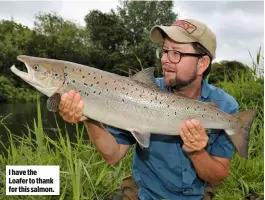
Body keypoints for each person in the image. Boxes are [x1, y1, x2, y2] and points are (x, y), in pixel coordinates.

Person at [58, 19, 239, 200]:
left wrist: (197, 152)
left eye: (176, 53)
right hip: (142, 193)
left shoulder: (225, 107)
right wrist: (88, 116)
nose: (165, 60)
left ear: (202, 63)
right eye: (165, 51)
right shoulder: (133, 93)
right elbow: (112, 156)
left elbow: (217, 177)